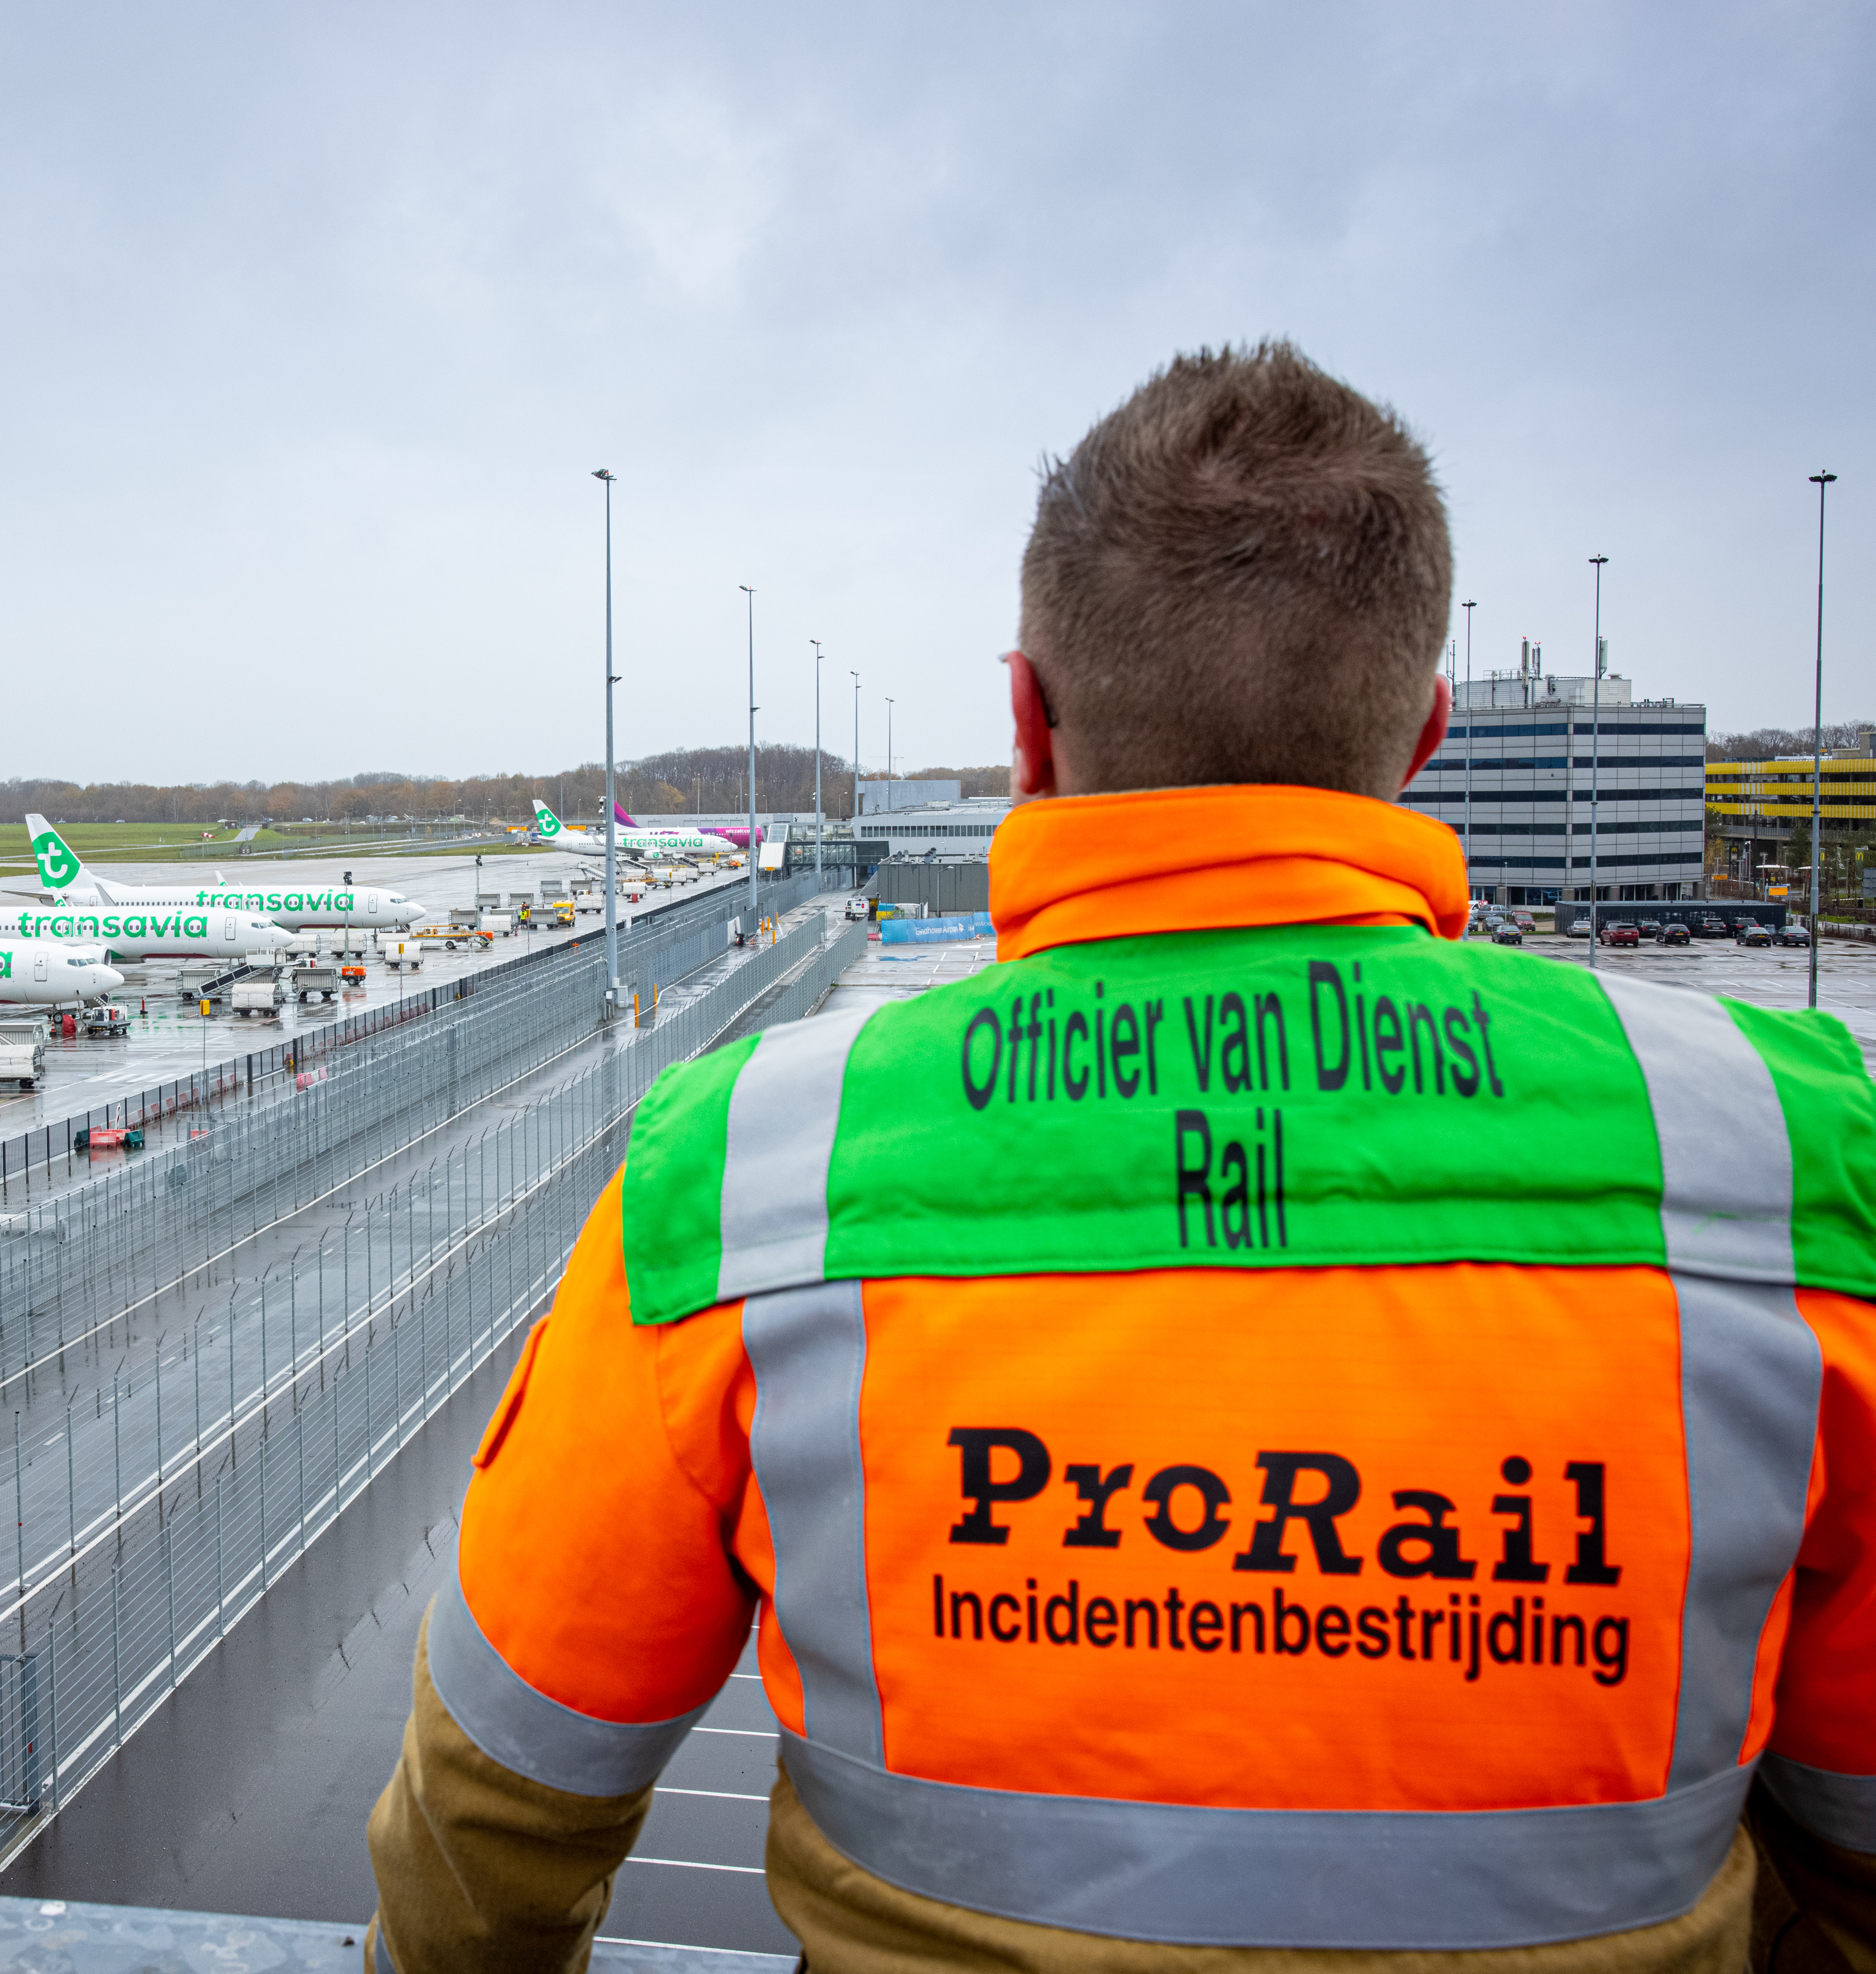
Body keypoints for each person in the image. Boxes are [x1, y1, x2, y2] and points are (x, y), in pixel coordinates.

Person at [364, 343, 1876, 1973]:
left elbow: (494, 1818)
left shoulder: (746, 1171)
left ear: (1025, 719)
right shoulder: (1783, 1154)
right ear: (1425, 735)